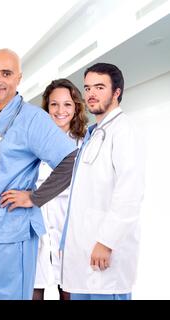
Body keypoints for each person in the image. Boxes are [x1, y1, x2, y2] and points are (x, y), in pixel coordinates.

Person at [0, 48, 77, 300]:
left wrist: (34, 197)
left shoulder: (32, 118)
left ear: (19, 78)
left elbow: (71, 160)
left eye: (6, 73)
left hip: (10, 231)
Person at [60, 63, 145, 300]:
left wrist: (107, 242)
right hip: (83, 256)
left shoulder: (124, 131)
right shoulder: (94, 133)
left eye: (99, 87)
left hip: (106, 257)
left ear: (116, 92)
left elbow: (129, 193)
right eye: (87, 88)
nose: (91, 94)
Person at [33, 79, 88, 300]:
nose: (60, 111)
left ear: (76, 108)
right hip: (38, 232)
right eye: (54, 105)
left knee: (69, 294)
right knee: (33, 292)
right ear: (47, 109)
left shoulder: (84, 144)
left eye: (67, 104)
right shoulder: (34, 144)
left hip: (71, 232)